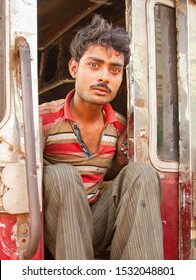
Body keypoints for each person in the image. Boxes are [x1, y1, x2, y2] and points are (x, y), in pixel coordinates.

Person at [39, 14, 164, 260]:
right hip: (53, 230)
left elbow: (103, 175)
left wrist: (118, 162)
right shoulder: (42, 120)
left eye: (114, 70)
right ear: (74, 68)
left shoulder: (118, 125)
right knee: (62, 175)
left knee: (143, 173)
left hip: (95, 225)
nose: (104, 77)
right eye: (94, 65)